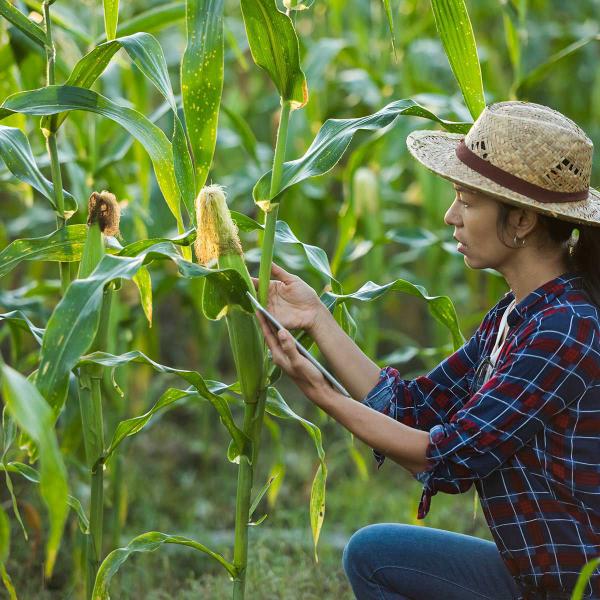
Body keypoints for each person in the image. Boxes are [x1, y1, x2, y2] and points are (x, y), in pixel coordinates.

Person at [253, 101, 600, 600]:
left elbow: (448, 458)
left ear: (521, 220)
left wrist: (321, 393)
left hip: (574, 588)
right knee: (374, 555)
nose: (450, 216)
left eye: (467, 200)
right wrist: (316, 318)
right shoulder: (517, 314)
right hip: (533, 579)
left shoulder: (564, 329)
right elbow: (415, 408)